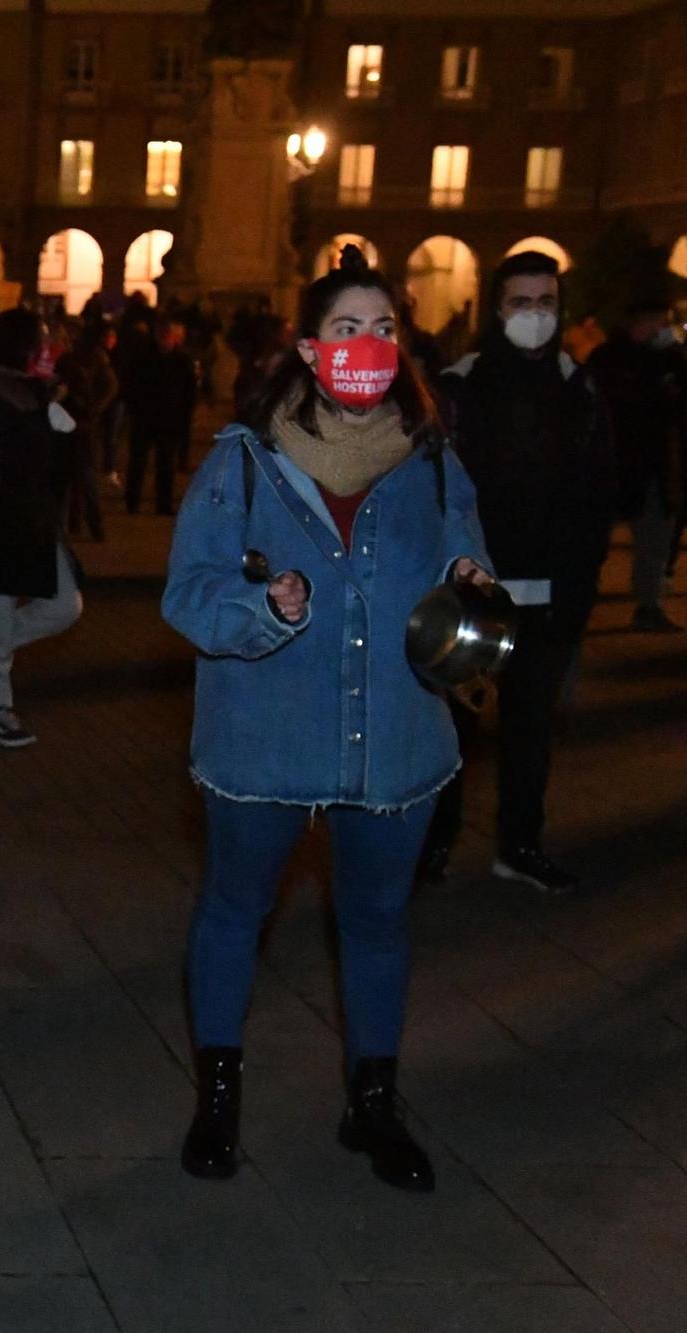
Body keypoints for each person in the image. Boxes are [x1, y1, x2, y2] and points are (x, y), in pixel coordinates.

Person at [162, 246, 493, 1194]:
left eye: (384, 327)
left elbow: (467, 550)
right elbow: (188, 592)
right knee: (235, 908)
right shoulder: (245, 462)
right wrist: (266, 610)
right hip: (264, 738)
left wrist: (471, 580)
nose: (367, 343)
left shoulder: (431, 460)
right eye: (346, 328)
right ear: (310, 351)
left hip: (392, 737)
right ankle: (217, 1100)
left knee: (379, 921)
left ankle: (373, 1106)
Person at [425, 251, 616, 895]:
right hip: (474, 597)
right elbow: (438, 490)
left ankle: (520, 844)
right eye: (520, 303)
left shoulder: (577, 387)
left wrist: (581, 585)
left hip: (550, 598)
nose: (534, 316)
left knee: (531, 731)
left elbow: (597, 490)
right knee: (451, 734)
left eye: (546, 304)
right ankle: (432, 844)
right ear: (495, 308)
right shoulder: (462, 386)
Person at [0, 309, 84, 748]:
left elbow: (58, 461)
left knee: (65, 605)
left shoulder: (35, 392)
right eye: (39, 338)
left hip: (34, 520)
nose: (45, 347)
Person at [586, 297, 683, 633]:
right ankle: (580, 599)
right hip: (614, 464)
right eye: (659, 320)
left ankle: (648, 604)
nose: (664, 329)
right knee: (592, 539)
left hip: (655, 466)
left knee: (655, 539)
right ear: (641, 321)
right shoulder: (610, 358)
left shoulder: (669, 359)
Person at [125, 312, 198, 515]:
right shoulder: (142, 356)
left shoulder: (182, 360)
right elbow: (131, 384)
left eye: (168, 334)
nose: (164, 338)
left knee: (165, 465)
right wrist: (135, 409)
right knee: (138, 462)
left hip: (169, 419)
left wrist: (184, 416)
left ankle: (163, 503)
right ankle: (133, 501)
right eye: (161, 333)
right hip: (145, 417)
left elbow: (189, 392)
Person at [58, 320, 117, 541]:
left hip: (75, 426)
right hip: (80, 426)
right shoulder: (94, 364)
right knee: (82, 479)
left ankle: (77, 526)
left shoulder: (78, 364)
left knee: (74, 479)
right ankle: (88, 526)